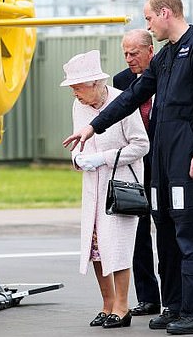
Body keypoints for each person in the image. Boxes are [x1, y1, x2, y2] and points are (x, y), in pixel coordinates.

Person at [63, 0, 193, 335]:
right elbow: (131, 97)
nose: (147, 25)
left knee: (189, 233)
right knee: (164, 232)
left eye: (149, 18)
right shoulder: (164, 58)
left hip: (186, 157)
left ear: (166, 13)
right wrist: (92, 126)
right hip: (161, 160)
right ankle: (173, 305)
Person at [60, 49, 149, 329]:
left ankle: (122, 308)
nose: (75, 93)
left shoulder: (123, 102)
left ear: (96, 83)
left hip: (120, 186)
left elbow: (141, 145)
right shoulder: (79, 106)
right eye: (72, 88)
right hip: (93, 188)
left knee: (118, 247)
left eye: (78, 87)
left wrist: (104, 158)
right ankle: (107, 304)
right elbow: (79, 142)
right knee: (96, 247)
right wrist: (78, 159)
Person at [114, 29, 161, 317]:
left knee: (167, 232)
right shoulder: (121, 81)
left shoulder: (165, 76)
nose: (129, 59)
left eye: (134, 53)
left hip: (164, 161)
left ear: (150, 51)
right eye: (125, 54)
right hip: (135, 165)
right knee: (138, 233)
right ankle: (148, 298)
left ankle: (174, 298)